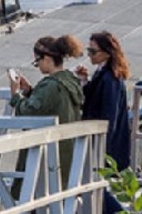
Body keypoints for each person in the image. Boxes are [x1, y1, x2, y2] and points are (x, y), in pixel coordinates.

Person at [9, 35, 85, 189]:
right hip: (68, 153)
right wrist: (30, 91)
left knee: (39, 199)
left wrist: (16, 95)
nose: (37, 66)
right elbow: (48, 105)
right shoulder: (71, 80)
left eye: (37, 62)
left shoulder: (51, 86)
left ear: (47, 59)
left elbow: (27, 113)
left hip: (50, 160)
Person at [77, 30, 132, 214]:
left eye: (93, 51)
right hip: (102, 142)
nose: (90, 55)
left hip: (103, 143)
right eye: (88, 51)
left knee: (95, 185)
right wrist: (85, 81)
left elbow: (107, 116)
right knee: (96, 185)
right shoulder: (106, 73)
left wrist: (101, 150)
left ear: (107, 53)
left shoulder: (109, 79)